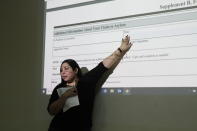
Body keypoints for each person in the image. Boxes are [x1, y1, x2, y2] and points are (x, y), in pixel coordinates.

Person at [47, 35, 133, 131]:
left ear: (75, 70)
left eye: (66, 68)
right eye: (61, 70)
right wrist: (64, 97)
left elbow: (103, 66)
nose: (63, 72)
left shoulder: (86, 82)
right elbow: (51, 111)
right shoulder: (58, 87)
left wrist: (121, 49)